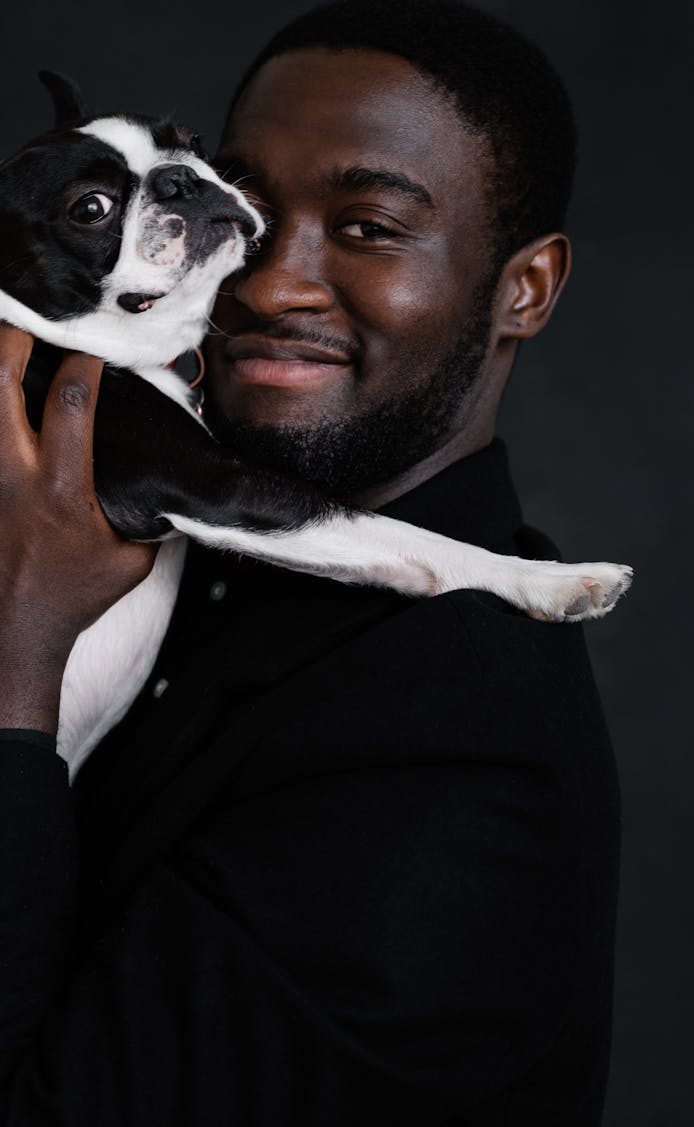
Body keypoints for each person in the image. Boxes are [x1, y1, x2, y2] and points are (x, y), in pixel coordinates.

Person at [0, 1, 620, 1123]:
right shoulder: (151, 536)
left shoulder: (452, 742)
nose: (267, 279)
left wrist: (13, 675)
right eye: (245, 203)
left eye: (368, 227)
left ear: (523, 288)